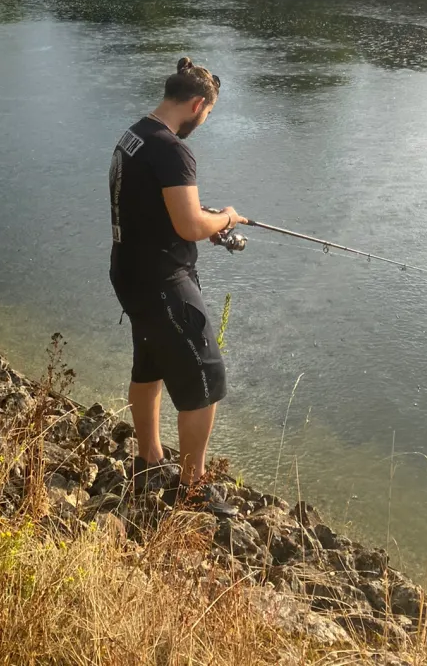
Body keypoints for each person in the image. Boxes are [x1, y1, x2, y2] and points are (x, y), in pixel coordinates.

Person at [108, 56, 245, 517]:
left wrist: (202, 219)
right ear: (197, 104)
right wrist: (225, 218)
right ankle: (192, 486)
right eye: (206, 115)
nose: (202, 124)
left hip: (129, 272)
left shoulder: (134, 135)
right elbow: (188, 225)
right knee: (207, 378)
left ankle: (148, 460)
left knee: (149, 366)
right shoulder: (172, 150)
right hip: (163, 281)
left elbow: (151, 206)